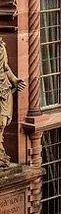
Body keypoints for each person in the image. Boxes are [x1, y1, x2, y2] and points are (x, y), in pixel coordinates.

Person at [0, 37, 25, 168]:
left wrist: (15, 80)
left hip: (4, 90)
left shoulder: (1, 45)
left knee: (3, 122)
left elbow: (5, 66)